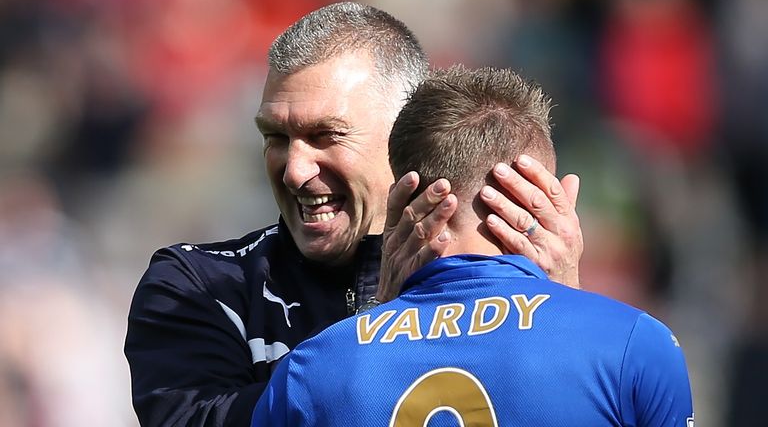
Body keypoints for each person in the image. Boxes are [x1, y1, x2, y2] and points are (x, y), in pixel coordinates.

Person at [125, 2, 583, 426]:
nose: (294, 170)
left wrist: (567, 319)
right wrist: (383, 328)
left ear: (405, 134)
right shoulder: (201, 286)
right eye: (276, 137)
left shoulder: (516, 288)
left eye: (326, 135)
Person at [251, 65, 694, 426]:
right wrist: (565, 299)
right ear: (539, 201)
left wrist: (377, 312)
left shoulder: (310, 370)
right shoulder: (631, 345)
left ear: (405, 202)